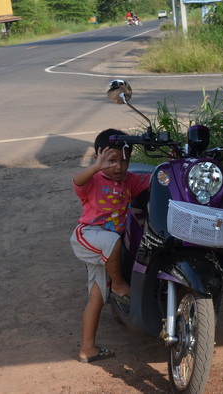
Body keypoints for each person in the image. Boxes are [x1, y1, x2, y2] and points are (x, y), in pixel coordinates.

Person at [70, 129, 151, 363]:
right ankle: (118, 285)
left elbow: (153, 180)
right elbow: (77, 180)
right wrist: (96, 167)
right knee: (114, 241)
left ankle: (88, 349)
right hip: (88, 236)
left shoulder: (129, 181)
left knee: (96, 298)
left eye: (124, 160)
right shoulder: (93, 179)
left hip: (108, 248)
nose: (119, 167)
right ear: (99, 156)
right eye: (112, 160)